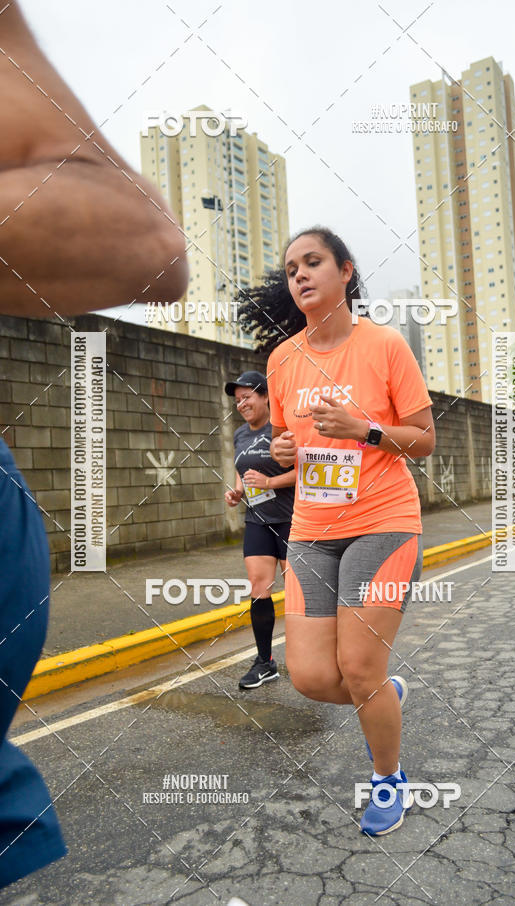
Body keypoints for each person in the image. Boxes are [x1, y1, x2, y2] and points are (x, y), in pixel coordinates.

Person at [0, 3, 187, 887]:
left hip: (356, 516)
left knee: (323, 658)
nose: (299, 277)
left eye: (316, 263)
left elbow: (150, 245)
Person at [262, 227, 435, 836]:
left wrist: (364, 430)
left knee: (357, 667)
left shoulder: (384, 345)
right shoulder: (282, 360)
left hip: (383, 522)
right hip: (312, 528)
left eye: (313, 262)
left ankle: (389, 778)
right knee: (310, 677)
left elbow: (424, 441)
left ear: (345, 271)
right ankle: (382, 694)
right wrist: (281, 447)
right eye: (291, 269)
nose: (301, 275)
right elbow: (289, 445)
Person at [224, 372, 295, 688]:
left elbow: (306, 471)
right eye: (238, 400)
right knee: (258, 585)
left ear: (266, 396)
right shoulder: (240, 434)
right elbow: (243, 471)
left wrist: (270, 482)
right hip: (257, 519)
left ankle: (315, 654)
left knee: (298, 591)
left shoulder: (283, 430)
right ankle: (265, 662)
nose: (242, 404)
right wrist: (237, 491)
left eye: (247, 397)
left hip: (293, 519)